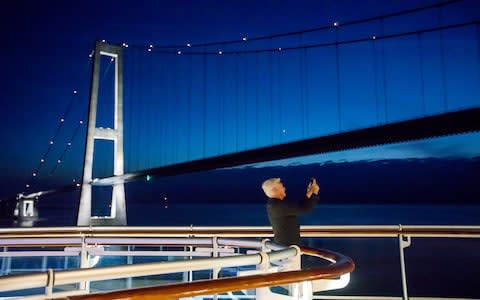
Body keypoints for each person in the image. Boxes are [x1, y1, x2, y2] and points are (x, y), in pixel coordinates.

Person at [262, 177, 320, 246]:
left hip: (285, 246)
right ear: (274, 190)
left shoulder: (275, 204)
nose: (284, 189)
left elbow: (299, 207)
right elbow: (304, 209)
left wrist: (309, 194)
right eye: (282, 187)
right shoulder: (277, 205)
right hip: (286, 248)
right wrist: (315, 193)